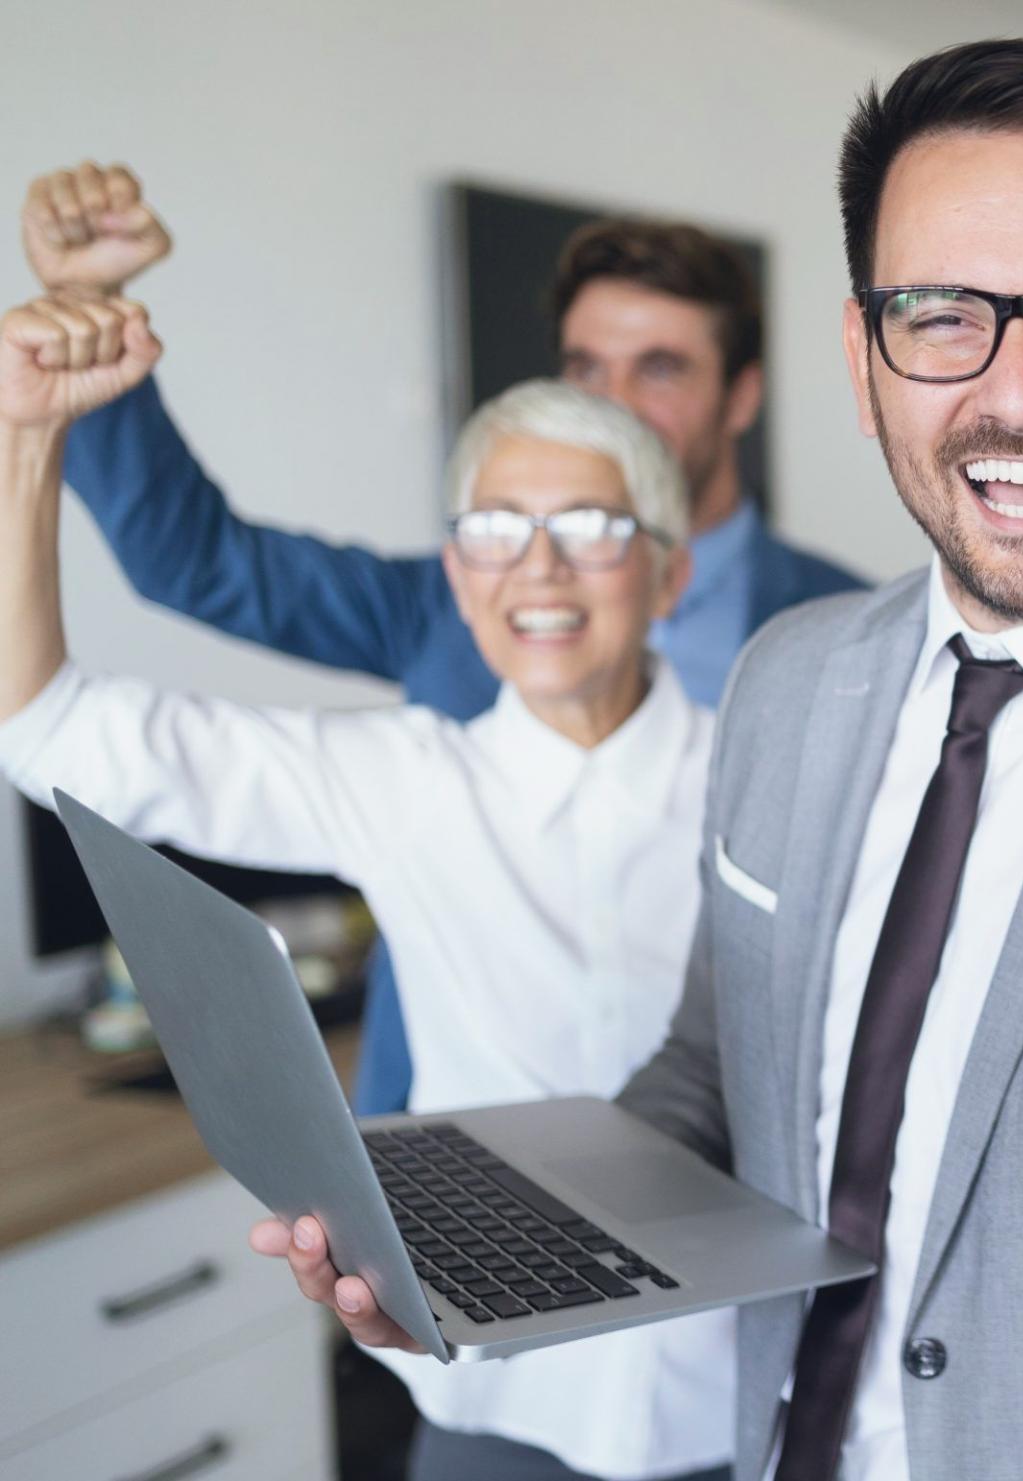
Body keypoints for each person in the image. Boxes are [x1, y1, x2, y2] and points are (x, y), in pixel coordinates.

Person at [254, 37, 1023, 1481]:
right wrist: (482, 1252)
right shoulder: (787, 680)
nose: (1019, 393)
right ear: (862, 359)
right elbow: (716, 1077)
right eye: (940, 316)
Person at [0, 293, 734, 1481]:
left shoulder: (772, 772)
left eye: (590, 524)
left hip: (750, 1393)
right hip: (495, 1392)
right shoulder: (404, 779)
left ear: (668, 570)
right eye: (495, 527)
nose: (536, 566)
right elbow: (46, 731)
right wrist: (26, 438)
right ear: (455, 568)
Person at [21, 165, 869, 1117]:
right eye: (587, 368)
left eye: (660, 368)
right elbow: (198, 565)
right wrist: (83, 322)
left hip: (734, 1153)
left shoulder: (845, 630)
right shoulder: (452, 601)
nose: (614, 402)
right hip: (468, 1161)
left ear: (741, 396)